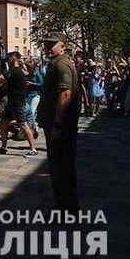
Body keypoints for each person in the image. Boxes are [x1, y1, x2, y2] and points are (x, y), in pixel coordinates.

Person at [37, 32, 81, 212]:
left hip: (61, 127)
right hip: (62, 125)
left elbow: (66, 94)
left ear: (62, 45)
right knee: (63, 165)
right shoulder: (59, 63)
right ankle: (66, 205)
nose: (48, 47)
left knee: (60, 166)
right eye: (46, 44)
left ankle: (66, 208)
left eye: (52, 44)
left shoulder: (61, 64)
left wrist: (57, 123)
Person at [0, 51, 38, 157]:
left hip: (18, 103)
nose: (7, 60)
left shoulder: (14, 71)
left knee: (23, 124)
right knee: (4, 124)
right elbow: (26, 73)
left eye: (9, 58)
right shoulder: (19, 70)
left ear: (13, 59)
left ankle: (33, 149)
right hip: (12, 102)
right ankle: (3, 147)